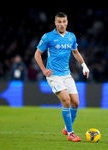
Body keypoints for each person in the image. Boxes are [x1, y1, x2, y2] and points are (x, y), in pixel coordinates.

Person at [34, 12, 90, 142]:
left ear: (67, 22)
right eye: (59, 21)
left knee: (76, 103)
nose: (62, 24)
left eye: (64, 21)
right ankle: (70, 133)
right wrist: (43, 69)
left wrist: (84, 65)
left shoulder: (71, 37)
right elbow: (37, 54)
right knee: (66, 100)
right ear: (55, 23)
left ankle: (66, 128)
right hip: (54, 76)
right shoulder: (48, 37)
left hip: (67, 75)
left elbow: (75, 52)